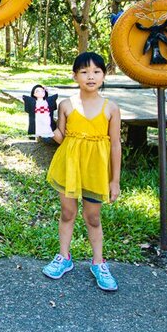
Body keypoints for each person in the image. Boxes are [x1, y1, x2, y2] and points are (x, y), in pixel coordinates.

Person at [43, 51, 122, 291]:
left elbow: (116, 144)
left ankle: (98, 263)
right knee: (67, 213)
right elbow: (61, 137)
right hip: (69, 167)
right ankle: (64, 257)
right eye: (84, 72)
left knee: (93, 217)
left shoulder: (111, 108)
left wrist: (115, 180)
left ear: (103, 75)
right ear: (75, 76)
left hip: (96, 170)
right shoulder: (66, 105)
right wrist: (43, 123)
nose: (90, 76)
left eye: (96, 71)